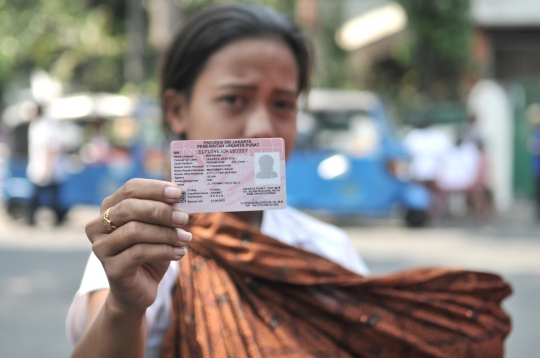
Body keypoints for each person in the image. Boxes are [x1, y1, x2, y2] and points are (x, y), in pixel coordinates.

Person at [68, 4, 511, 358]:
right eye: (233, 99)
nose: (262, 125)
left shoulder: (325, 249)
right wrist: (126, 308)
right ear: (177, 111)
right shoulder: (144, 249)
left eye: (283, 104)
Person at [26, 103, 68, 225]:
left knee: (45, 195)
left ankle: (55, 220)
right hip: (43, 166)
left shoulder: (43, 126)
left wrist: (46, 166)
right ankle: (55, 220)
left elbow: (50, 148)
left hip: (46, 167)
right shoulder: (40, 125)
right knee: (46, 195)